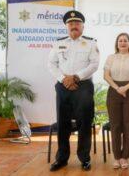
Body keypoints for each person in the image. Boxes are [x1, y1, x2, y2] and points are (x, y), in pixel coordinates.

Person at [48, 10, 99, 172]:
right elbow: (51, 64)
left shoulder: (91, 43)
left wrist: (76, 77)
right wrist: (64, 79)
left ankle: (84, 158)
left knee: (85, 123)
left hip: (83, 87)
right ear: (66, 26)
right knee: (63, 124)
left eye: (77, 23)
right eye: (70, 24)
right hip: (63, 86)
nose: (74, 26)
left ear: (82, 26)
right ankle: (62, 159)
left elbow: (94, 64)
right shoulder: (58, 43)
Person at [103, 33, 129, 169]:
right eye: (120, 40)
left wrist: (126, 87)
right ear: (117, 43)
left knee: (128, 125)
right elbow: (106, 75)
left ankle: (125, 157)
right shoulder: (111, 58)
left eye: (125, 40)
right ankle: (117, 157)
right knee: (115, 125)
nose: (123, 43)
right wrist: (117, 88)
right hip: (114, 91)